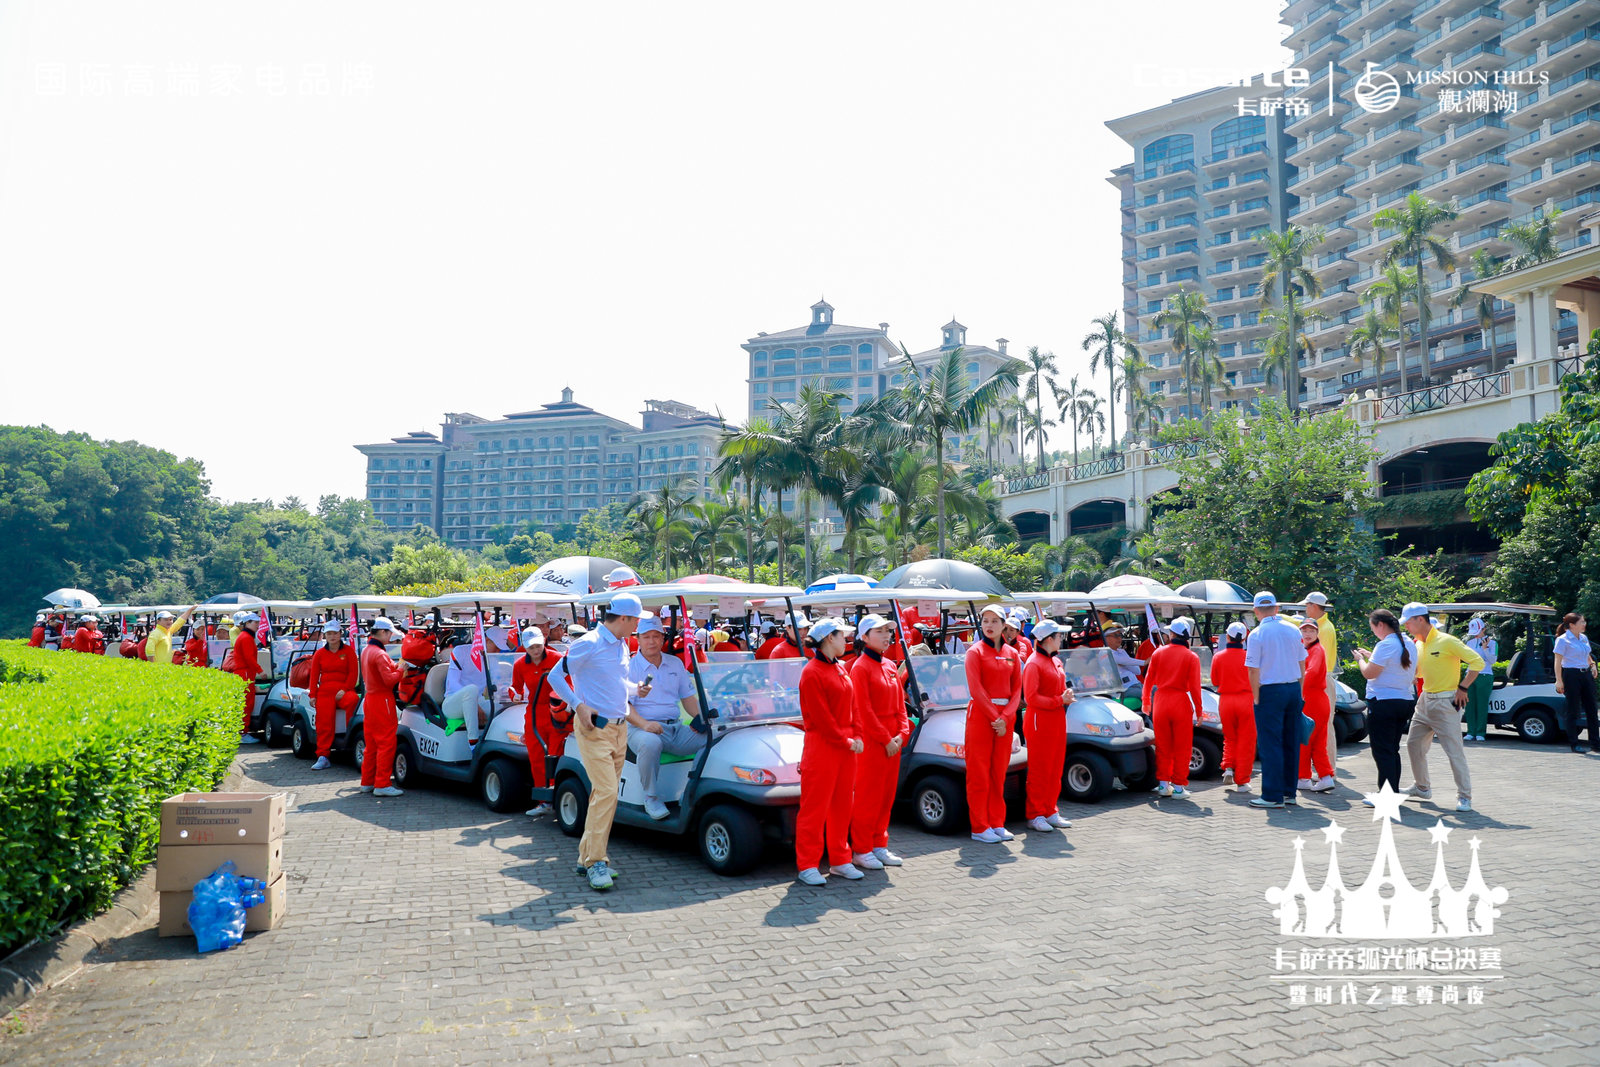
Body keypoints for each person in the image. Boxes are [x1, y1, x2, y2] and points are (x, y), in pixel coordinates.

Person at [547, 592, 651, 892]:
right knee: (606, 793)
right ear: (624, 619)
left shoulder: (619, 644)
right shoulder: (589, 642)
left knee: (602, 795)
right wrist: (578, 705)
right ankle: (595, 862)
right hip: (595, 728)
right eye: (636, 622)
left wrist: (635, 690)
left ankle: (586, 858)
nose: (637, 628)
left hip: (619, 729)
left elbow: (616, 684)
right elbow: (555, 676)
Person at [795, 618, 863, 886]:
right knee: (815, 807)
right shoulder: (811, 672)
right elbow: (820, 718)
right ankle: (807, 864)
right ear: (827, 639)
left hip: (845, 746)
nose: (845, 640)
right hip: (822, 747)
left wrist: (857, 734)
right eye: (841, 635)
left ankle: (840, 860)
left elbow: (853, 706)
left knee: (842, 805)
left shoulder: (842, 668)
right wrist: (847, 740)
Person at [1400, 602, 1483, 813]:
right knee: (1413, 745)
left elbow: (1477, 662)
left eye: (1408, 622)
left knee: (1454, 752)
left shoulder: (1447, 641)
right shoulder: (1418, 644)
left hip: (1446, 703)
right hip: (1424, 700)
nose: (1406, 626)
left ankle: (1465, 797)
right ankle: (1422, 787)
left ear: (1420, 619)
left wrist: (1463, 687)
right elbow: (1418, 674)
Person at [626, 615, 706, 821]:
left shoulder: (675, 663)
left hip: (674, 729)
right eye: (646, 637)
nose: (651, 641)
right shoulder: (629, 667)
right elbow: (624, 707)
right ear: (638, 639)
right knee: (650, 743)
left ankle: (693, 790)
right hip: (640, 728)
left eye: (656, 636)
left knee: (713, 739)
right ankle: (651, 797)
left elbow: (687, 698)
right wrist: (645, 724)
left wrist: (702, 718)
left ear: (663, 639)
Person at [849, 614, 912, 868]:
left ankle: (879, 844)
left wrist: (901, 734)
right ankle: (862, 849)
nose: (887, 635)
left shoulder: (888, 665)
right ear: (864, 637)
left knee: (886, 796)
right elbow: (863, 710)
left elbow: (901, 707)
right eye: (880, 631)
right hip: (874, 743)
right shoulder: (860, 667)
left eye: (888, 631)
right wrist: (887, 739)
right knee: (868, 796)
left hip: (892, 741)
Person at [964, 603, 1022, 843]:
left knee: (999, 772)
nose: (989, 626)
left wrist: (1006, 717)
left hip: (1005, 718)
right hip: (981, 716)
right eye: (985, 621)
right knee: (979, 773)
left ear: (1003, 625)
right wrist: (994, 717)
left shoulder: (1013, 654)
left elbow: (1017, 689)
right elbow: (976, 689)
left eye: (994, 621)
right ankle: (979, 827)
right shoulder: (974, 652)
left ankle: (996, 822)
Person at [1245, 591, 1308, 811]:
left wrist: (1256, 696)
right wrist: (1298, 691)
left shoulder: (1256, 634)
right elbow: (1302, 664)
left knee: (1270, 743)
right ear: (1276, 608)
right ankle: (1288, 792)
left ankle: (1272, 795)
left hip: (1270, 691)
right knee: (1291, 741)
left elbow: (1253, 670)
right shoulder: (1293, 630)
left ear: (1255, 610)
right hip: (1292, 688)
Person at [1353, 609, 1417, 800]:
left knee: (1382, 751)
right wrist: (1373, 655)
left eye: (1372, 627)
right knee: (1392, 749)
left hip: (1383, 703)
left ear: (1380, 625)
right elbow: (1395, 665)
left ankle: (1387, 796)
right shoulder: (1407, 643)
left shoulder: (1386, 644)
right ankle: (1392, 792)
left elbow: (1369, 673)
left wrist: (1361, 660)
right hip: (1403, 701)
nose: (1373, 631)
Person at [1143, 617, 1204, 800]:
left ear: (1171, 634)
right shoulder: (1191, 657)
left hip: (1160, 701)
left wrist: (1146, 701)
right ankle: (1178, 787)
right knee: (1182, 746)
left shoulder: (1158, 653)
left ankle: (1163, 784)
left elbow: (1148, 680)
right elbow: (1195, 687)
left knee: (1163, 745)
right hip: (1180, 701)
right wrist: (1199, 711)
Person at [1021, 619, 1074, 831]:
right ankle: (1035, 814)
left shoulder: (1055, 661)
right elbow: (1031, 698)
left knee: (1055, 767)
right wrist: (1059, 700)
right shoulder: (1034, 663)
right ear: (1049, 639)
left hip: (1056, 718)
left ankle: (1050, 810)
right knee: (1039, 770)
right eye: (1059, 636)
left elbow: (1057, 690)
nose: (1062, 639)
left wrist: (1065, 696)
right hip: (1039, 721)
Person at [509, 627, 567, 815]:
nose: (535, 650)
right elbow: (515, 688)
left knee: (556, 754)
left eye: (538, 646)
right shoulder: (519, 665)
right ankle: (543, 801)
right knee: (536, 757)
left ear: (544, 643)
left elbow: (569, 683)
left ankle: (558, 798)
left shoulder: (557, 658)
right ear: (525, 648)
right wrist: (514, 695)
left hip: (556, 711)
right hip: (534, 714)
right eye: (531, 647)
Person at [359, 617, 405, 797]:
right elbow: (389, 680)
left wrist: (395, 667)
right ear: (383, 632)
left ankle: (367, 781)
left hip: (370, 699)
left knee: (371, 744)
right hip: (382, 700)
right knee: (386, 742)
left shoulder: (367, 650)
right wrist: (401, 670)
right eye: (389, 633)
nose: (390, 637)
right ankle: (382, 784)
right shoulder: (379, 653)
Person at [307, 619, 360, 770]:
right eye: (329, 633)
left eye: (335, 633)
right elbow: (314, 676)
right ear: (325, 635)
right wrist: (312, 695)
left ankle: (351, 741)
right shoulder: (319, 654)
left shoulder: (349, 651)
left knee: (353, 700)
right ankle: (323, 755)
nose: (332, 636)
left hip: (344, 690)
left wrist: (345, 689)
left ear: (340, 634)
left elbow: (353, 674)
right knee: (324, 721)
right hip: (324, 691)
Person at [1212, 621, 1255, 794]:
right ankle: (1242, 781)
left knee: (1229, 737)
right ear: (1245, 638)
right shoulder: (1249, 656)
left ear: (1227, 636)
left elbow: (1215, 681)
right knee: (1247, 740)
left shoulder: (1218, 656)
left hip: (1226, 701)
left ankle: (1228, 767)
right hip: (1246, 700)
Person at [1296, 618, 1336, 793]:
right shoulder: (1310, 649)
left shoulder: (1316, 650)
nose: (1307, 633)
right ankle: (1324, 776)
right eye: (1304, 630)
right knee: (1315, 741)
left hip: (1312, 700)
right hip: (1315, 699)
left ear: (1317, 632)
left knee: (1305, 739)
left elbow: (1310, 674)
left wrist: (1295, 685)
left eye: (1311, 630)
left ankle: (1305, 777)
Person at [1303, 591, 1339, 773]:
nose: (1305, 609)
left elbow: (1316, 663)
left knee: (1324, 727)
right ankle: (1324, 768)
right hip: (1321, 679)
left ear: (1314, 606)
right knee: (1320, 727)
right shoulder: (1323, 625)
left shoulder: (1323, 629)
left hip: (1321, 680)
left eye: (1307, 605)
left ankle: (1328, 768)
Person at [1554, 612, 1598, 753]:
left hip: (1586, 675)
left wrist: (1592, 665)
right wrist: (1559, 681)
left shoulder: (1583, 638)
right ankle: (1574, 743)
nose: (1584, 624)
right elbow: (1558, 662)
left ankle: (1595, 743)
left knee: (1592, 709)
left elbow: (1587, 655)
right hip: (1571, 675)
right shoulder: (1562, 640)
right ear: (1572, 625)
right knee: (1573, 710)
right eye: (1582, 622)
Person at [1462, 618, 1498, 743]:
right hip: (1470, 674)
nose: (1476, 634)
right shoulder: (1470, 643)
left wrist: (1485, 648)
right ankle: (1470, 731)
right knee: (1469, 704)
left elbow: (1492, 660)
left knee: (1482, 704)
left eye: (1478, 631)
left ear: (1484, 629)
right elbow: (1466, 659)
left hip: (1485, 675)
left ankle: (1480, 732)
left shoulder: (1492, 643)